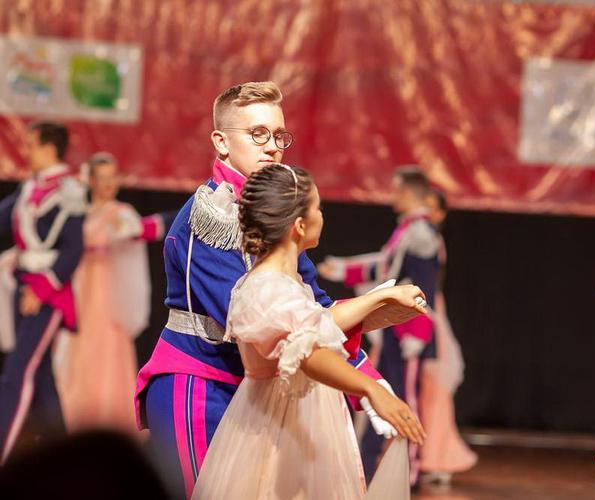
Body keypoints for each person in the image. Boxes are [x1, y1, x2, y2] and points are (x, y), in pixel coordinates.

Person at [135, 82, 399, 497]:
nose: (273, 147)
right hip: (199, 385)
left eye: (279, 135)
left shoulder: (270, 214)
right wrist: (362, 373)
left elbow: (312, 305)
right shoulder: (210, 218)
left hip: (251, 389)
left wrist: (369, 376)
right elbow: (271, 325)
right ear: (221, 142)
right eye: (258, 134)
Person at [193, 163, 426, 499]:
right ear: (300, 226)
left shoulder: (287, 284)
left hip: (304, 422)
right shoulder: (266, 289)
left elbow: (318, 322)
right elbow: (307, 353)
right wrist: (371, 389)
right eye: (318, 208)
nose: (322, 216)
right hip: (279, 432)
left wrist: (382, 299)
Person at [318, 166, 441, 485]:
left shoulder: (421, 232)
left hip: (408, 331)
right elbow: (386, 266)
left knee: (407, 396)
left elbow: (425, 287)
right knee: (381, 391)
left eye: (397, 190)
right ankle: (369, 464)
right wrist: (345, 269)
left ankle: (411, 469)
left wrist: (418, 332)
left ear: (408, 192)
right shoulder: (408, 228)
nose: (392, 196)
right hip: (394, 330)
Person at [53, 152, 174, 435]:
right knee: (75, 349)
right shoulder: (80, 214)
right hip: (80, 290)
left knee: (105, 348)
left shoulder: (121, 213)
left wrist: (130, 229)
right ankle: (72, 420)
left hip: (107, 293)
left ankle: (107, 425)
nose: (109, 183)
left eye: (113, 177)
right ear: (91, 181)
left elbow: (139, 231)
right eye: (102, 178)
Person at [0, 121, 86, 462]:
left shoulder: (70, 191)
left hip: (45, 293)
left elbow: (73, 250)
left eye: (31, 144)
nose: (26, 151)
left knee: (17, 373)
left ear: (50, 148)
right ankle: (64, 456)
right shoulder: (30, 187)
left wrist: (42, 290)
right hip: (22, 285)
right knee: (42, 376)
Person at [419, 188, 477, 485]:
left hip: (427, 312)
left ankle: (437, 455)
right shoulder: (417, 235)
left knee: (435, 386)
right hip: (416, 309)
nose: (426, 212)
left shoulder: (431, 240)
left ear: (441, 214)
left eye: (432, 208)